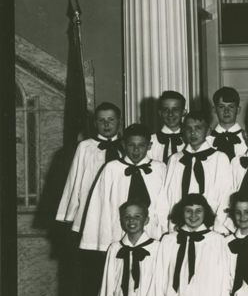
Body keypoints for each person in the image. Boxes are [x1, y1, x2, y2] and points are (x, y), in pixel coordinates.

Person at [79, 124, 167, 258]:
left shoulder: (160, 168)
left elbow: (165, 205)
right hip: (118, 232)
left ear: (149, 146)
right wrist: (104, 243)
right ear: (124, 145)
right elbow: (100, 205)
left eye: (141, 145)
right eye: (131, 145)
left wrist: (165, 234)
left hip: (153, 232)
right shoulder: (112, 168)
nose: (136, 150)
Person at [56, 101, 122, 232]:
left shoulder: (127, 146)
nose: (106, 124)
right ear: (95, 123)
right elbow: (75, 179)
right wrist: (70, 211)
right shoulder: (85, 147)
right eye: (101, 120)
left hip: (119, 203)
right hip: (91, 205)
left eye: (111, 119)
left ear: (119, 121)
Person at [161, 111, 233, 227]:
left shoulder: (220, 158)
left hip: (210, 225)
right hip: (179, 225)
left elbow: (225, 195)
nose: (193, 132)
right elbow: (168, 195)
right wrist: (169, 226)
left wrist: (219, 227)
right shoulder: (175, 159)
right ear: (183, 131)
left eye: (198, 128)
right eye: (188, 128)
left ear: (208, 131)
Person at [150, 90, 187, 164]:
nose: (170, 114)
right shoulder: (151, 141)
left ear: (183, 112)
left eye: (175, 109)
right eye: (166, 110)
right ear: (160, 113)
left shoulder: (191, 140)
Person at [209, 86, 246, 161]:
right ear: (214, 110)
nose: (226, 111)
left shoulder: (247, 138)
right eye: (221, 107)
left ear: (238, 109)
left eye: (231, 107)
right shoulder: (207, 139)